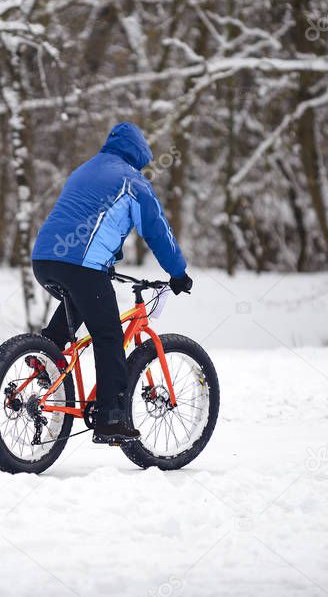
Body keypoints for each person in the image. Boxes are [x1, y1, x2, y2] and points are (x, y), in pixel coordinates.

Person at [31, 121, 192, 444]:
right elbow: (157, 231)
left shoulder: (84, 171)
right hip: (82, 266)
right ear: (139, 154)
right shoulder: (134, 182)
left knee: (76, 304)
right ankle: (110, 418)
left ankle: (44, 355)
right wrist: (178, 273)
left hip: (44, 260)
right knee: (108, 336)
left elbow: (82, 218)